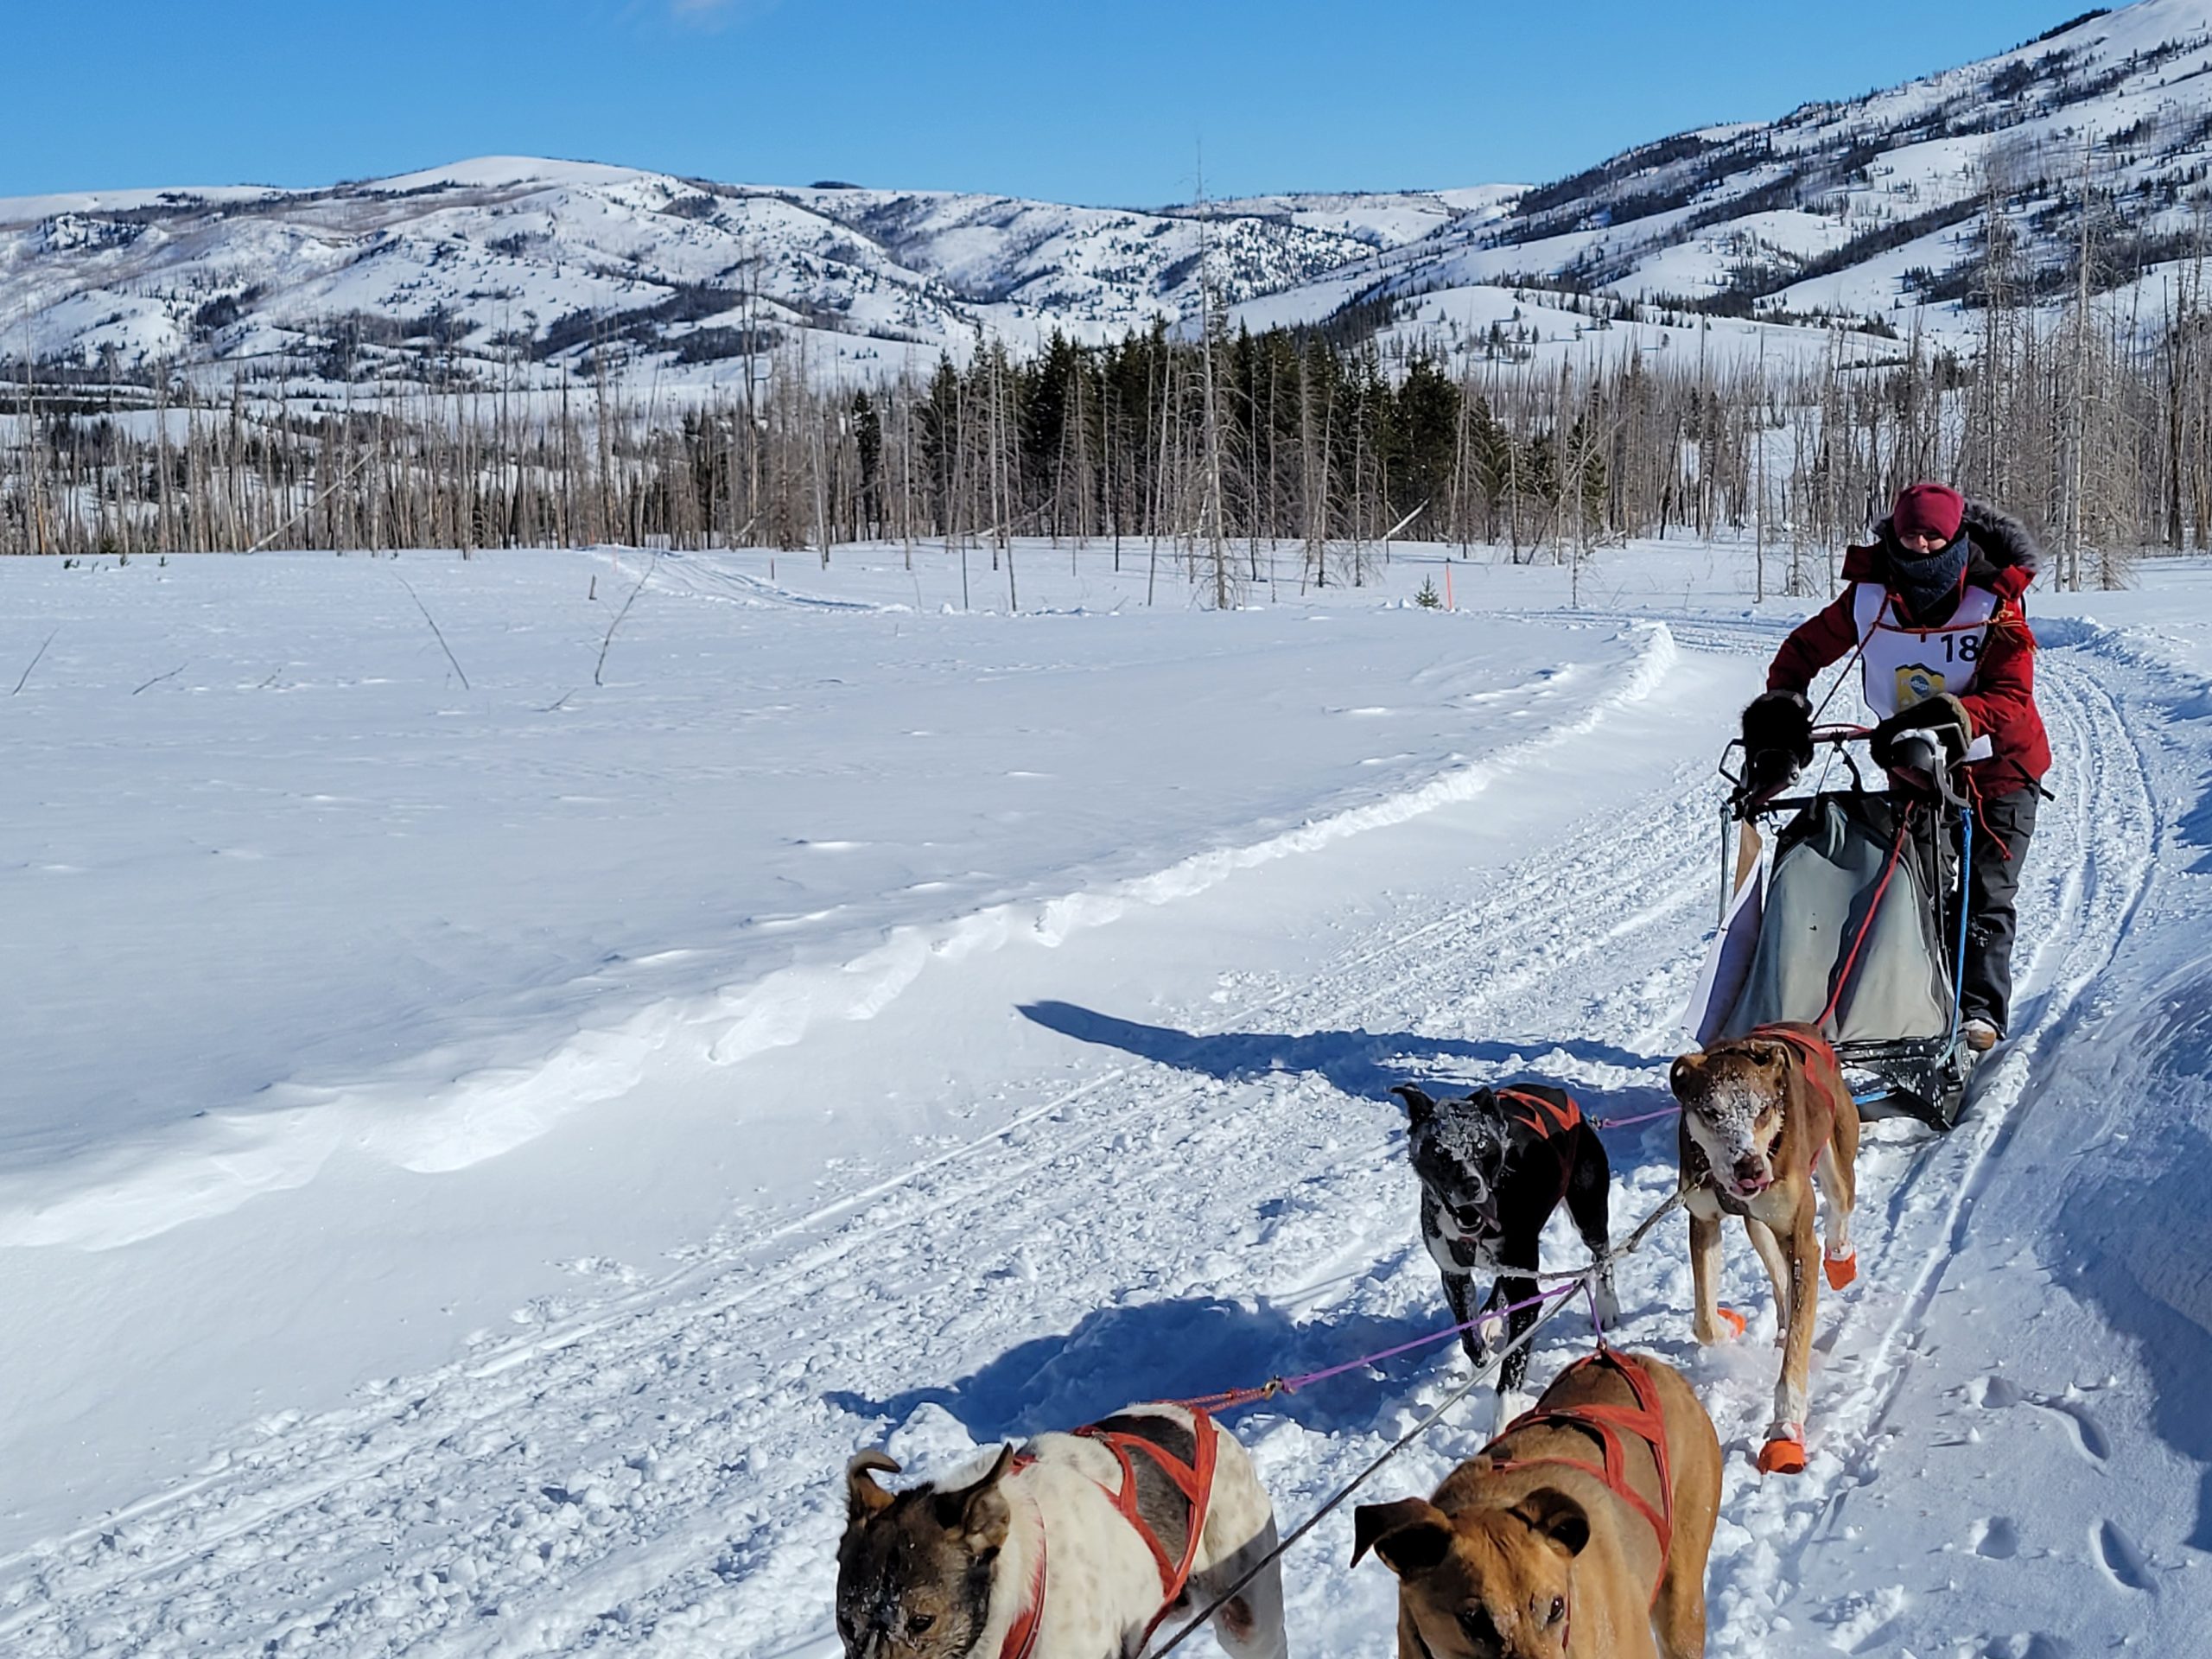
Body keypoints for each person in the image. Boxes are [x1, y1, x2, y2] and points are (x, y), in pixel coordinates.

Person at [1737, 481, 2049, 1052]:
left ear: (1956, 537)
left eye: (1934, 535)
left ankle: (1979, 1010)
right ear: (1894, 536)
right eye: (1910, 534)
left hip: (2000, 772)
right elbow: (1802, 652)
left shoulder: (1995, 599)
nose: (1921, 544)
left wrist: (1947, 719)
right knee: (1914, 889)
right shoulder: (1868, 598)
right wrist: (1781, 716)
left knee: (1986, 893)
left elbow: (2011, 695)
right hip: (1915, 770)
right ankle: (1921, 1003)